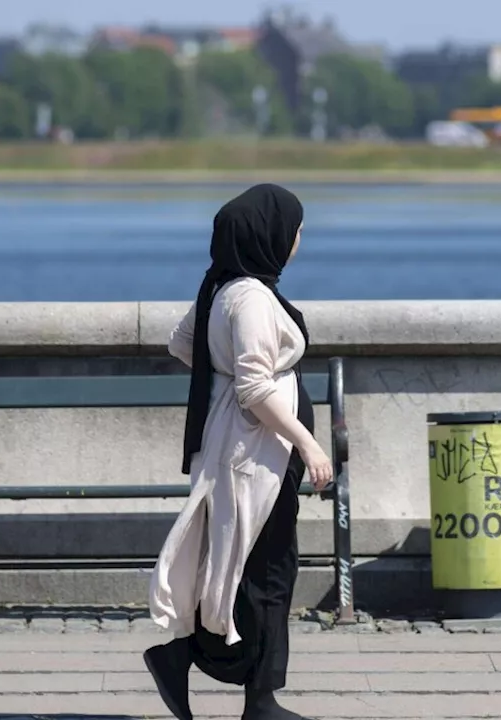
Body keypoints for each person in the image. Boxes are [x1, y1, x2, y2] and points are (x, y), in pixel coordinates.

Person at [143, 183, 334, 720]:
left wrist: (224, 379)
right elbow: (253, 387)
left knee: (245, 565)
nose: (298, 240)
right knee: (268, 570)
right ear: (269, 235)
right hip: (258, 454)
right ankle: (257, 698)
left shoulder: (219, 286)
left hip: (246, 447)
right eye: (295, 230)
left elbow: (184, 343)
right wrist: (308, 442)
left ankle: (207, 669)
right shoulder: (249, 297)